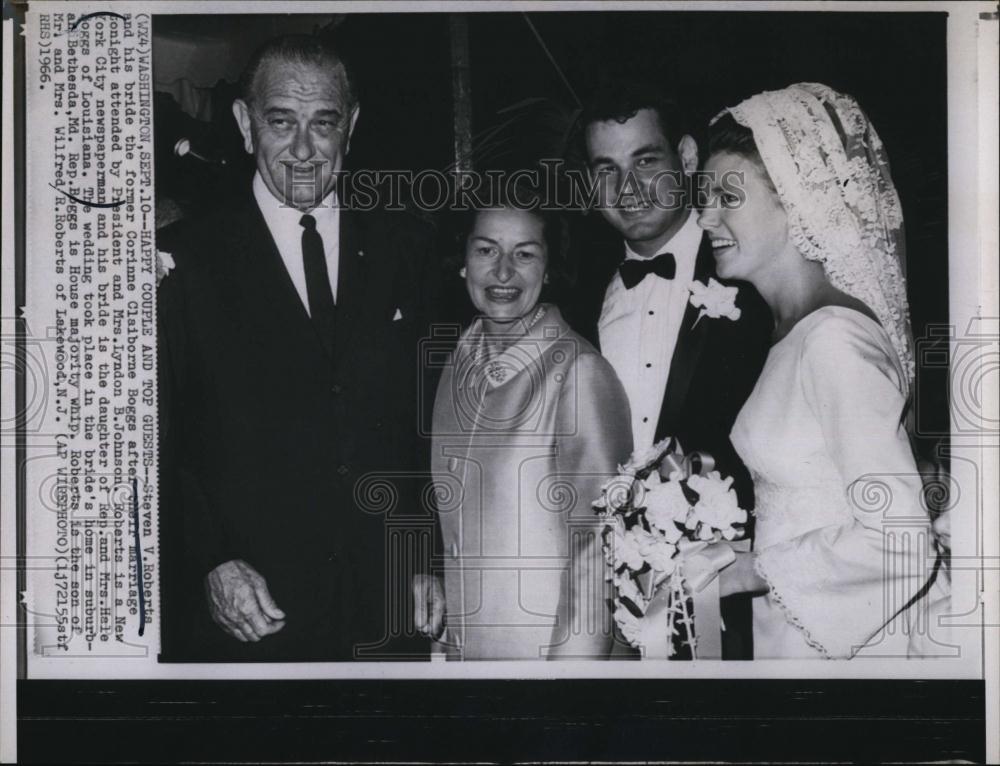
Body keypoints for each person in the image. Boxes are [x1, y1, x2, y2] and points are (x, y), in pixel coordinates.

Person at [158, 35, 437, 661]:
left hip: (386, 612)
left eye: (324, 123)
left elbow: (427, 426)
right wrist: (210, 561)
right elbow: (163, 440)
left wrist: (428, 557)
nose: (305, 150)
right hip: (248, 615)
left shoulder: (409, 248)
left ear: (352, 125)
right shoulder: (185, 258)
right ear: (244, 123)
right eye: (281, 122)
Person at [704, 83, 949, 659]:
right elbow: (816, 500)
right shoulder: (795, 331)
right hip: (794, 633)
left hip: (850, 647)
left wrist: (747, 573)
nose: (705, 215)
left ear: (795, 200)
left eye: (726, 196)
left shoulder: (834, 340)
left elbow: (902, 542)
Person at [568, 79, 773, 659]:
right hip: (603, 608)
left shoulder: (751, 278)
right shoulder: (574, 299)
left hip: (733, 602)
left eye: (645, 160)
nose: (626, 188)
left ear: (686, 158)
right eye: (605, 168)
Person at [412, 201, 632, 659]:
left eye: (525, 254)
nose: (503, 273)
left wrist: (564, 688)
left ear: (549, 268)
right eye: (486, 250)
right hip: (468, 656)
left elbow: (597, 552)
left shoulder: (579, 370)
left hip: (547, 662)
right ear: (463, 260)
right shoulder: (456, 362)